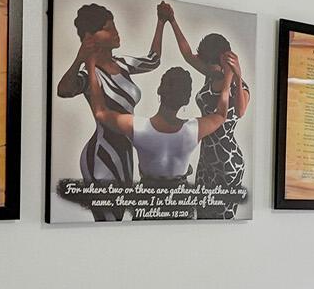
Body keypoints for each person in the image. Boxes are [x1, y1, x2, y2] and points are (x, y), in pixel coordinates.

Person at [55, 0, 165, 221]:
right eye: (108, 29)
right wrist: (80, 59)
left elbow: (153, 60)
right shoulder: (90, 74)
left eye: (114, 26)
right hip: (102, 154)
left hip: (125, 153)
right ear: (90, 36)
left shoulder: (122, 64)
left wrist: (161, 22)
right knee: (107, 220)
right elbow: (63, 90)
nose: (115, 32)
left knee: (116, 218)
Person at [82, 62, 236, 203]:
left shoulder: (138, 126)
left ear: (159, 90)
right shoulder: (193, 129)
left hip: (147, 201)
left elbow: (100, 112)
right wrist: (228, 78)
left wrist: (91, 66)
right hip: (180, 202)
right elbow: (221, 115)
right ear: (186, 100)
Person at [160, 8, 251, 218]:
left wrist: (235, 76)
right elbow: (187, 55)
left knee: (223, 218)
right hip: (206, 159)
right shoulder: (211, 74)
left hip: (227, 162)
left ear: (223, 59)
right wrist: (172, 20)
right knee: (201, 216)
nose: (207, 67)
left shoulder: (239, 86)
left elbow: (240, 111)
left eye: (210, 63)